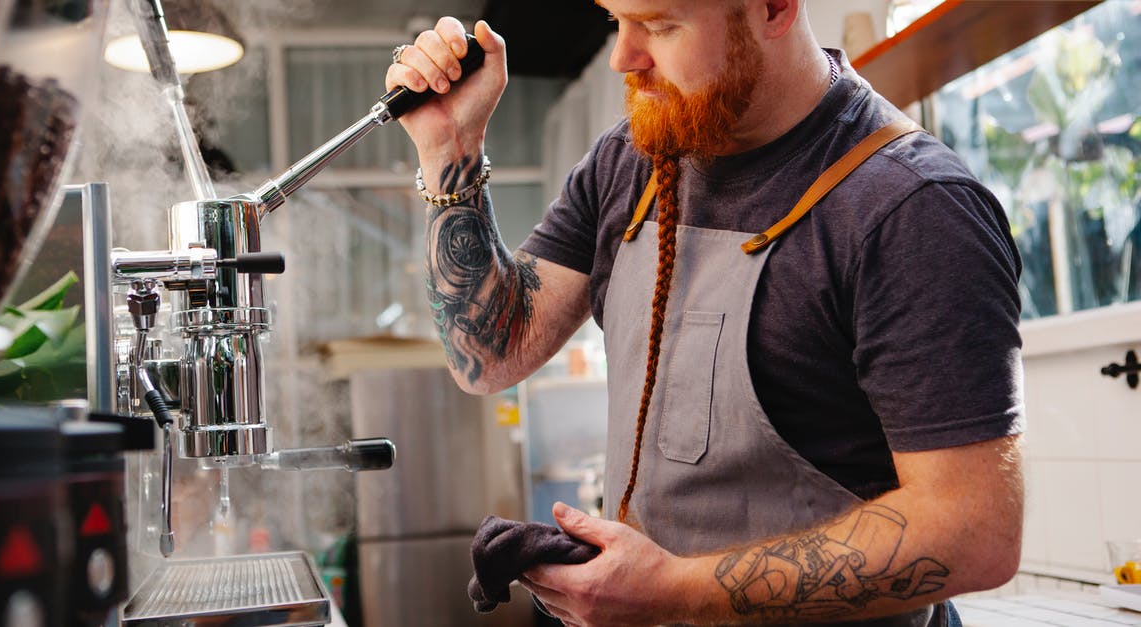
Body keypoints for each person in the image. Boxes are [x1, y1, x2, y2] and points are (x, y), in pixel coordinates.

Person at [385, 0, 1024, 625]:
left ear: (773, 9)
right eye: (618, 21)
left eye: (660, 25)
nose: (622, 58)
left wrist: (674, 592)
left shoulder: (911, 208)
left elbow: (973, 532)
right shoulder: (629, 161)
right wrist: (451, 148)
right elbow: (492, 354)